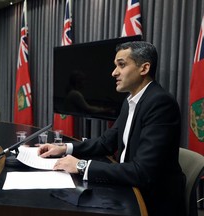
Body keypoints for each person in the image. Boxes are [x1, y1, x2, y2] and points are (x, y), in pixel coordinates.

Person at [38, 41, 186, 216]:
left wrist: (81, 165)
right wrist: (64, 148)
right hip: (127, 186)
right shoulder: (130, 100)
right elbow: (106, 142)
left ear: (144, 68)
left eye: (121, 65)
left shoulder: (160, 103)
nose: (114, 72)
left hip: (151, 201)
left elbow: (142, 172)